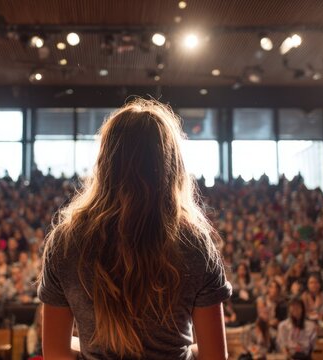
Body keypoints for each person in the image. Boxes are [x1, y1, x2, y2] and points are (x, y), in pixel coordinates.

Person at [37, 99, 232, 360]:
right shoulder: (194, 244)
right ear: (171, 166)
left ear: (105, 163)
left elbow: (54, 352)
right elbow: (215, 357)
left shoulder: (65, 242)